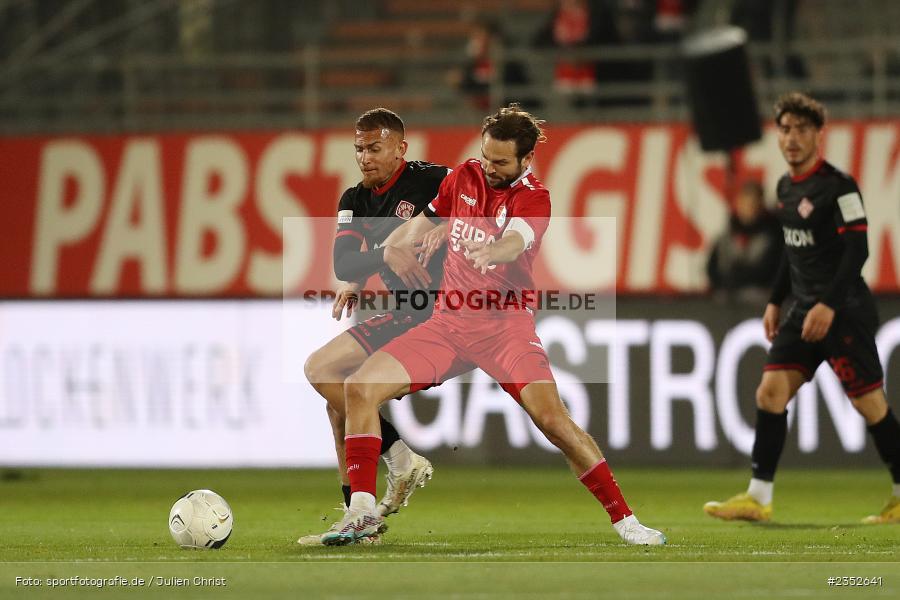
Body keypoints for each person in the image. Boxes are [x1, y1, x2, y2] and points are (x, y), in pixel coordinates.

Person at [321, 104, 667, 546]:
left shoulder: (535, 197)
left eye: (500, 162)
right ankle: (363, 513)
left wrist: (491, 251)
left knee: (553, 421)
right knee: (357, 389)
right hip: (447, 324)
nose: (489, 168)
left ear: (526, 161)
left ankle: (626, 520)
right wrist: (376, 262)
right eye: (486, 157)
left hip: (505, 330)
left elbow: (514, 240)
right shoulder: (464, 175)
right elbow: (417, 224)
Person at [704, 92, 900, 524]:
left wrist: (829, 305)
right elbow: (792, 256)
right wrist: (776, 301)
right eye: (786, 129)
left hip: (843, 309)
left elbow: (857, 250)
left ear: (818, 135)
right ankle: (758, 497)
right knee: (770, 393)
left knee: (870, 405)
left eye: (802, 130)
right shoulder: (785, 187)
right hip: (803, 310)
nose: (792, 138)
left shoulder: (838, 186)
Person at [297, 108, 451, 545]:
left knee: (326, 373)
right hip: (406, 310)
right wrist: (375, 262)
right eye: (359, 149)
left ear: (401, 148)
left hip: (443, 312)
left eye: (375, 148)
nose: (365, 157)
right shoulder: (355, 200)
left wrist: (452, 222)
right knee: (332, 393)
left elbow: (483, 194)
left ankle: (394, 469)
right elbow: (343, 261)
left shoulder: (432, 179)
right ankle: (360, 516)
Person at [706, 179, 783, 303]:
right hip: (725, 297)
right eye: (746, 203)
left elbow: (768, 271)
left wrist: (737, 276)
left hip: (758, 298)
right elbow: (712, 269)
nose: (749, 208)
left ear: (761, 204)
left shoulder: (773, 237)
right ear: (738, 203)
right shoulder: (726, 236)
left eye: (753, 203)